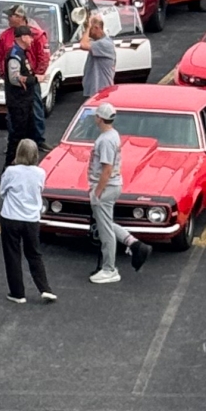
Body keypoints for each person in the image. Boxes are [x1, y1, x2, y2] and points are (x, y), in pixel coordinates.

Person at [87, 103, 151, 284]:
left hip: (105, 188)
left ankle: (109, 269)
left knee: (104, 229)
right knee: (105, 223)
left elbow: (106, 169)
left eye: (96, 115)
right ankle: (133, 243)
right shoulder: (112, 135)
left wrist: (97, 192)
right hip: (112, 186)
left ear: (100, 118)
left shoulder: (105, 140)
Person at [0, 138, 56, 304]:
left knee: (12, 255)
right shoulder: (40, 173)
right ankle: (45, 288)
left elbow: (2, 192)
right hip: (31, 218)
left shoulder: (10, 171)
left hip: (10, 217)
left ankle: (17, 293)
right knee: (34, 254)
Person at [0, 6, 51, 143]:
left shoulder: (37, 35)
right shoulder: (5, 36)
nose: (8, 18)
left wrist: (36, 76)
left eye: (11, 16)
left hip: (30, 80)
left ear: (20, 17)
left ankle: (38, 140)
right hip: (14, 83)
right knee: (13, 113)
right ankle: (15, 140)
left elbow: (43, 57)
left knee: (36, 109)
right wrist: (4, 74)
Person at [2, 26, 40, 166]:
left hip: (25, 101)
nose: (31, 40)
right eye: (30, 37)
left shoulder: (21, 53)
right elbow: (14, 78)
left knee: (28, 133)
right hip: (18, 103)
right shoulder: (15, 55)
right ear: (23, 37)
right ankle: (9, 165)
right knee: (17, 136)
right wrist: (34, 80)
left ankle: (26, 163)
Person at [79, 12, 122, 97]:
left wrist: (88, 27)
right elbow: (83, 40)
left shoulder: (105, 44)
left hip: (102, 91)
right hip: (95, 91)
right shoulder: (97, 42)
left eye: (90, 29)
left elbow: (83, 44)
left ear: (96, 28)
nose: (87, 32)